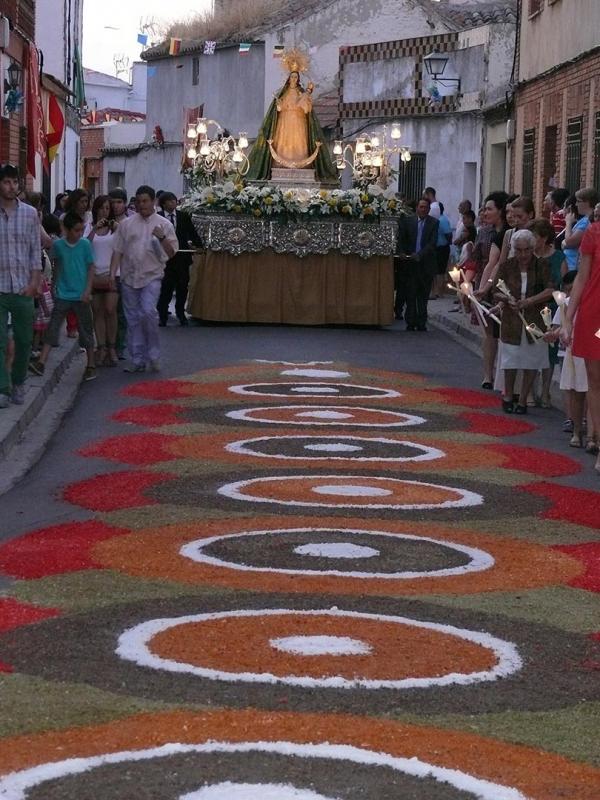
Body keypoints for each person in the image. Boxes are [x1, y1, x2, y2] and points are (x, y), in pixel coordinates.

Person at [109, 185, 178, 373]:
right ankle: (137, 358)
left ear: (154, 201)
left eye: (145, 201)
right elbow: (118, 250)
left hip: (152, 276)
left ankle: (153, 355)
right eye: (139, 201)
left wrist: (162, 238)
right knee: (132, 319)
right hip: (129, 277)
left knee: (148, 312)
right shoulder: (127, 224)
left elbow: (171, 253)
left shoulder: (165, 224)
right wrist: (112, 274)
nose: (142, 205)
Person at [30, 212, 96, 382]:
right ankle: (42, 362)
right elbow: (55, 264)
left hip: (81, 294)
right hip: (63, 293)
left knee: (86, 329)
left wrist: (87, 290)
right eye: (76, 230)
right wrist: (55, 285)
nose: (79, 233)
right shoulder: (58, 245)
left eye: (81, 230)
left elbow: (90, 268)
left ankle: (91, 364)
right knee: (53, 326)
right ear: (66, 229)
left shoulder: (85, 245)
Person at [494, 229, 554, 414]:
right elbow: (496, 289)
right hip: (512, 319)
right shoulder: (507, 265)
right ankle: (508, 395)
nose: (523, 255)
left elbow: (551, 289)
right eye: (519, 250)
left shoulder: (541, 264)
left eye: (526, 250)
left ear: (532, 248)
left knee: (531, 359)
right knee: (511, 358)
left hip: (535, 318)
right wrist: (506, 299)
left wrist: (530, 301)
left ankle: (523, 400)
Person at [246, 67, 337, 182]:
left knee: (299, 141)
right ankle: (281, 164)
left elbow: (307, 110)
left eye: (296, 77)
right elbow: (278, 109)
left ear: (298, 79)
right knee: (284, 141)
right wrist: (279, 104)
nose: (294, 79)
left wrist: (306, 99)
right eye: (292, 77)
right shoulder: (283, 93)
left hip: (299, 121)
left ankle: (301, 163)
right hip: (285, 120)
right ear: (288, 79)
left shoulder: (301, 92)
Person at [0, 163, 42, 408]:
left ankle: (18, 381)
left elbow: (34, 251)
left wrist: (35, 282)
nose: (11, 186)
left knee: (25, 339)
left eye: (15, 182)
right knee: (0, 340)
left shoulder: (29, 214)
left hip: (23, 286)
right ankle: (3, 388)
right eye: (6, 182)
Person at [562, 215, 600, 474]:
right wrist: (567, 319)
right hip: (596, 315)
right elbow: (582, 278)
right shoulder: (594, 233)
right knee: (596, 383)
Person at [529, 217, 566, 407]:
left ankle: (545, 392)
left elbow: (564, 285)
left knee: (550, 352)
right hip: (532, 308)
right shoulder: (529, 257)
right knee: (533, 349)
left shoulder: (558, 257)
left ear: (543, 238)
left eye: (533, 237)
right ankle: (531, 390)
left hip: (551, 308)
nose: (531, 241)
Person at [474, 191, 510, 388]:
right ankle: (488, 375)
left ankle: (503, 377)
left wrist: (485, 286)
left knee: (503, 332)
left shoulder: (506, 232)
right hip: (484, 280)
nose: (485, 212)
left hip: (499, 283)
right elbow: (480, 260)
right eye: (485, 209)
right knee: (488, 333)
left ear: (500, 211)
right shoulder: (484, 232)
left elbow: (496, 264)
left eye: (490, 209)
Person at [156, 191, 203, 326]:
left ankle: (180, 313)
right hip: (166, 259)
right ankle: (162, 314)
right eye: (169, 201)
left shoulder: (183, 216)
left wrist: (199, 245)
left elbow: (192, 232)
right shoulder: (158, 218)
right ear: (163, 203)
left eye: (174, 200)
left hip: (182, 257)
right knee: (166, 287)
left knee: (182, 286)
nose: (173, 203)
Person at [396, 198, 439, 331]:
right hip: (410, 264)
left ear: (428, 209)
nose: (423, 209)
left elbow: (432, 243)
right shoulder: (408, 222)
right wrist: (402, 253)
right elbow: (401, 239)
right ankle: (410, 320)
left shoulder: (433, 223)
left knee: (423, 295)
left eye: (426, 207)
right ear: (417, 208)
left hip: (425, 264)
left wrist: (420, 255)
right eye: (421, 207)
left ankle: (421, 322)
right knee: (411, 294)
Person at [88, 195, 118, 366]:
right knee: (97, 312)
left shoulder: (115, 228)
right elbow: (84, 245)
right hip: (94, 275)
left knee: (110, 309)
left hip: (112, 274)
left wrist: (116, 227)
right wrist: (94, 229)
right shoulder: (88, 227)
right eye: (101, 208)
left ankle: (112, 346)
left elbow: (122, 245)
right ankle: (101, 347)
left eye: (107, 208)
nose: (104, 211)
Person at [108, 188, 130, 359]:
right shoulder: (102, 221)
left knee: (121, 312)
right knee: (107, 312)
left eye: (119, 202)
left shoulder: (130, 223)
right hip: (104, 272)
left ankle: (119, 345)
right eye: (113, 202)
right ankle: (107, 345)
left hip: (124, 272)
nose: (115, 206)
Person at [562, 188, 599, 272]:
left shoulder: (587, 221)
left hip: (573, 266)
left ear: (587, 202)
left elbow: (570, 241)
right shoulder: (584, 220)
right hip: (570, 264)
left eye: (578, 201)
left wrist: (568, 223)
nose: (576, 204)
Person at [432, 201, 452, 298]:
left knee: (440, 270)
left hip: (442, 247)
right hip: (437, 248)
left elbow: (448, 233)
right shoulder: (436, 219)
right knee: (436, 270)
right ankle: (436, 290)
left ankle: (439, 291)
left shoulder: (442, 220)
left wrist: (448, 242)